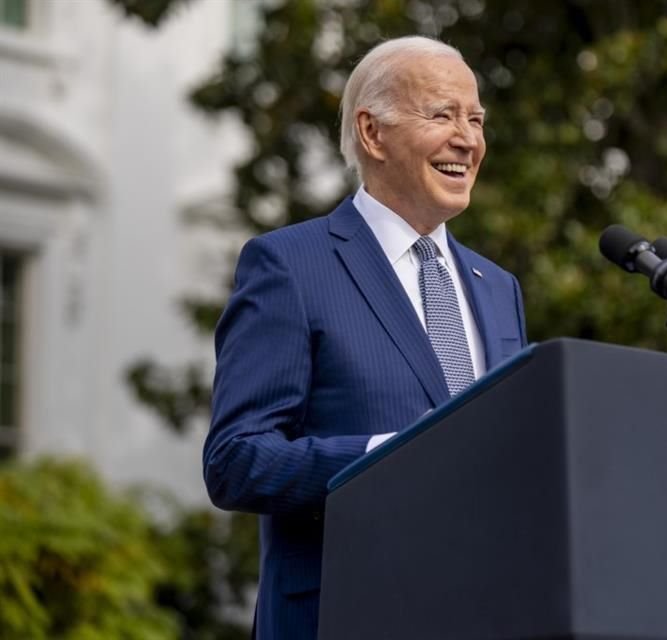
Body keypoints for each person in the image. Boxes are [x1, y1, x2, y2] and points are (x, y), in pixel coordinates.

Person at [202, 36, 527, 639]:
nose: (469, 139)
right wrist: (388, 455)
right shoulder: (290, 266)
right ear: (373, 134)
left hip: (483, 613)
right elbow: (235, 460)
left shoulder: (497, 287)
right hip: (342, 613)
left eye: (477, 119)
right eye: (442, 115)